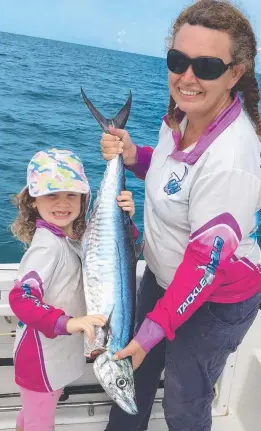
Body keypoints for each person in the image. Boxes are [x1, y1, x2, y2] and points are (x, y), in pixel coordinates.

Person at [100, 1, 261, 430]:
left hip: (215, 299)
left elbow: (206, 264)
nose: (187, 77)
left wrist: (151, 332)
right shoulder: (180, 116)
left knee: (184, 404)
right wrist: (133, 157)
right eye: (178, 60)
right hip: (162, 274)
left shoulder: (232, 159)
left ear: (235, 73)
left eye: (206, 65)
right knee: (133, 371)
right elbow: (173, 176)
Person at [9, 147, 136, 431]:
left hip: (54, 354)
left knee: (31, 416)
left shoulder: (68, 237)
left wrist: (126, 218)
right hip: (40, 360)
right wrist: (69, 322)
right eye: (52, 194)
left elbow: (108, 258)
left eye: (71, 194)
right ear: (33, 200)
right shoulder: (46, 248)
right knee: (40, 424)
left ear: (83, 198)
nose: (62, 203)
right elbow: (22, 298)